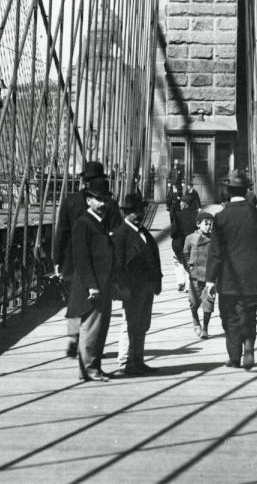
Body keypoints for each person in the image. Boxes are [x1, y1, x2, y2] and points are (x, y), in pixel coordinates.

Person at [203, 170, 257, 370]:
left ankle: (234, 357)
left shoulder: (222, 217)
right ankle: (249, 344)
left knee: (229, 317)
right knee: (249, 314)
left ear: (228, 190)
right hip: (252, 276)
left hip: (228, 278)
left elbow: (215, 252)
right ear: (246, 190)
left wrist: (209, 281)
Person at [52, 161, 120, 358]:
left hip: (72, 262)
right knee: (96, 305)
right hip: (99, 263)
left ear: (84, 181)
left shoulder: (69, 201)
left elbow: (61, 234)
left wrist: (57, 259)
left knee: (74, 303)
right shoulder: (110, 203)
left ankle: (74, 340)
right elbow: (116, 233)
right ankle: (90, 344)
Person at [66, 178, 118, 382]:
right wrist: (92, 287)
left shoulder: (99, 222)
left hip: (103, 283)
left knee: (100, 329)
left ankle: (93, 367)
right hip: (93, 285)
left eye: (105, 200)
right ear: (88, 201)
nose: (103, 204)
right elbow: (82, 259)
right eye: (98, 200)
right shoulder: (83, 224)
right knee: (91, 329)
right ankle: (89, 369)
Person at [111, 193, 163, 376]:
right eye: (134, 212)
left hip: (147, 286)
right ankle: (125, 362)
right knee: (130, 325)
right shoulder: (121, 234)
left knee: (143, 325)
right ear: (127, 213)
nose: (139, 214)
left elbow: (153, 256)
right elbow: (118, 264)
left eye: (140, 210)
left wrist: (158, 280)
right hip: (132, 288)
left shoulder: (144, 233)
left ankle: (138, 360)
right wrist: (122, 289)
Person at [182, 210, 215, 339]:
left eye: (211, 224)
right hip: (194, 276)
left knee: (208, 303)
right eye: (206, 223)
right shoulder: (190, 238)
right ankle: (195, 320)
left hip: (210, 277)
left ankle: (205, 328)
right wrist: (188, 269)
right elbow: (185, 254)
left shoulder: (215, 239)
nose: (209, 226)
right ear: (198, 224)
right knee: (194, 303)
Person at [170, 192, 200, 291]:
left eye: (181, 203)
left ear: (186, 204)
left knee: (178, 261)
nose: (180, 204)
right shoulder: (197, 215)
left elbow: (173, 232)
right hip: (194, 244)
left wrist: (174, 236)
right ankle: (188, 285)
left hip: (180, 244)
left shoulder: (179, 215)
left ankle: (181, 282)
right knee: (191, 262)